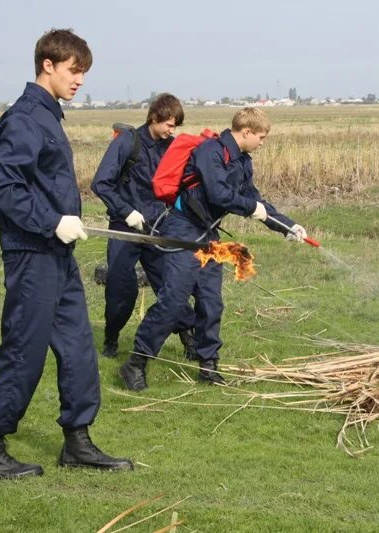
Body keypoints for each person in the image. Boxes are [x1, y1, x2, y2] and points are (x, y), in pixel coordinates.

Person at [0, 28, 132, 480]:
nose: (80, 80)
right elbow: (6, 188)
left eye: (83, 73)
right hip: (32, 253)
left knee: (79, 346)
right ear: (48, 65)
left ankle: (77, 442)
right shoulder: (23, 119)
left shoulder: (49, 117)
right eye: (74, 71)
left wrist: (64, 224)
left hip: (58, 254)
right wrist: (52, 220)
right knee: (24, 349)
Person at [119, 107, 308, 390]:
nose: (262, 143)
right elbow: (219, 194)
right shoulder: (211, 152)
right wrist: (250, 208)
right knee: (172, 302)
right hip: (183, 228)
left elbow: (254, 200)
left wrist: (287, 226)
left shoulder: (243, 162)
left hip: (209, 234)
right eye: (261, 137)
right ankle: (136, 362)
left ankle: (208, 365)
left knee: (211, 302)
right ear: (246, 132)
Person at [90, 93, 196, 360]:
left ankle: (190, 340)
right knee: (121, 289)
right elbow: (100, 183)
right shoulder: (128, 143)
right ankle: (111, 339)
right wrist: (127, 213)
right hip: (125, 229)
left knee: (171, 287)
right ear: (154, 118)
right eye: (169, 125)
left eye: (175, 126)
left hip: (158, 228)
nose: (171, 131)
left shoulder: (172, 148)